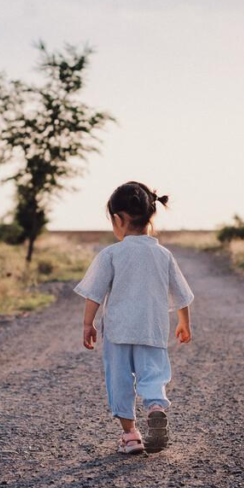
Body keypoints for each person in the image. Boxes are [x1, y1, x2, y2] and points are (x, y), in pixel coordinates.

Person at [74, 181, 195, 454]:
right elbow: (180, 293)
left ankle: (131, 435)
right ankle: (154, 406)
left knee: (119, 380)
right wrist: (184, 322)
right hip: (152, 328)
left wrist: (87, 324)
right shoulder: (163, 255)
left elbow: (94, 293)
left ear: (118, 220)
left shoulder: (111, 254)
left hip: (118, 330)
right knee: (153, 373)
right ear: (150, 217)